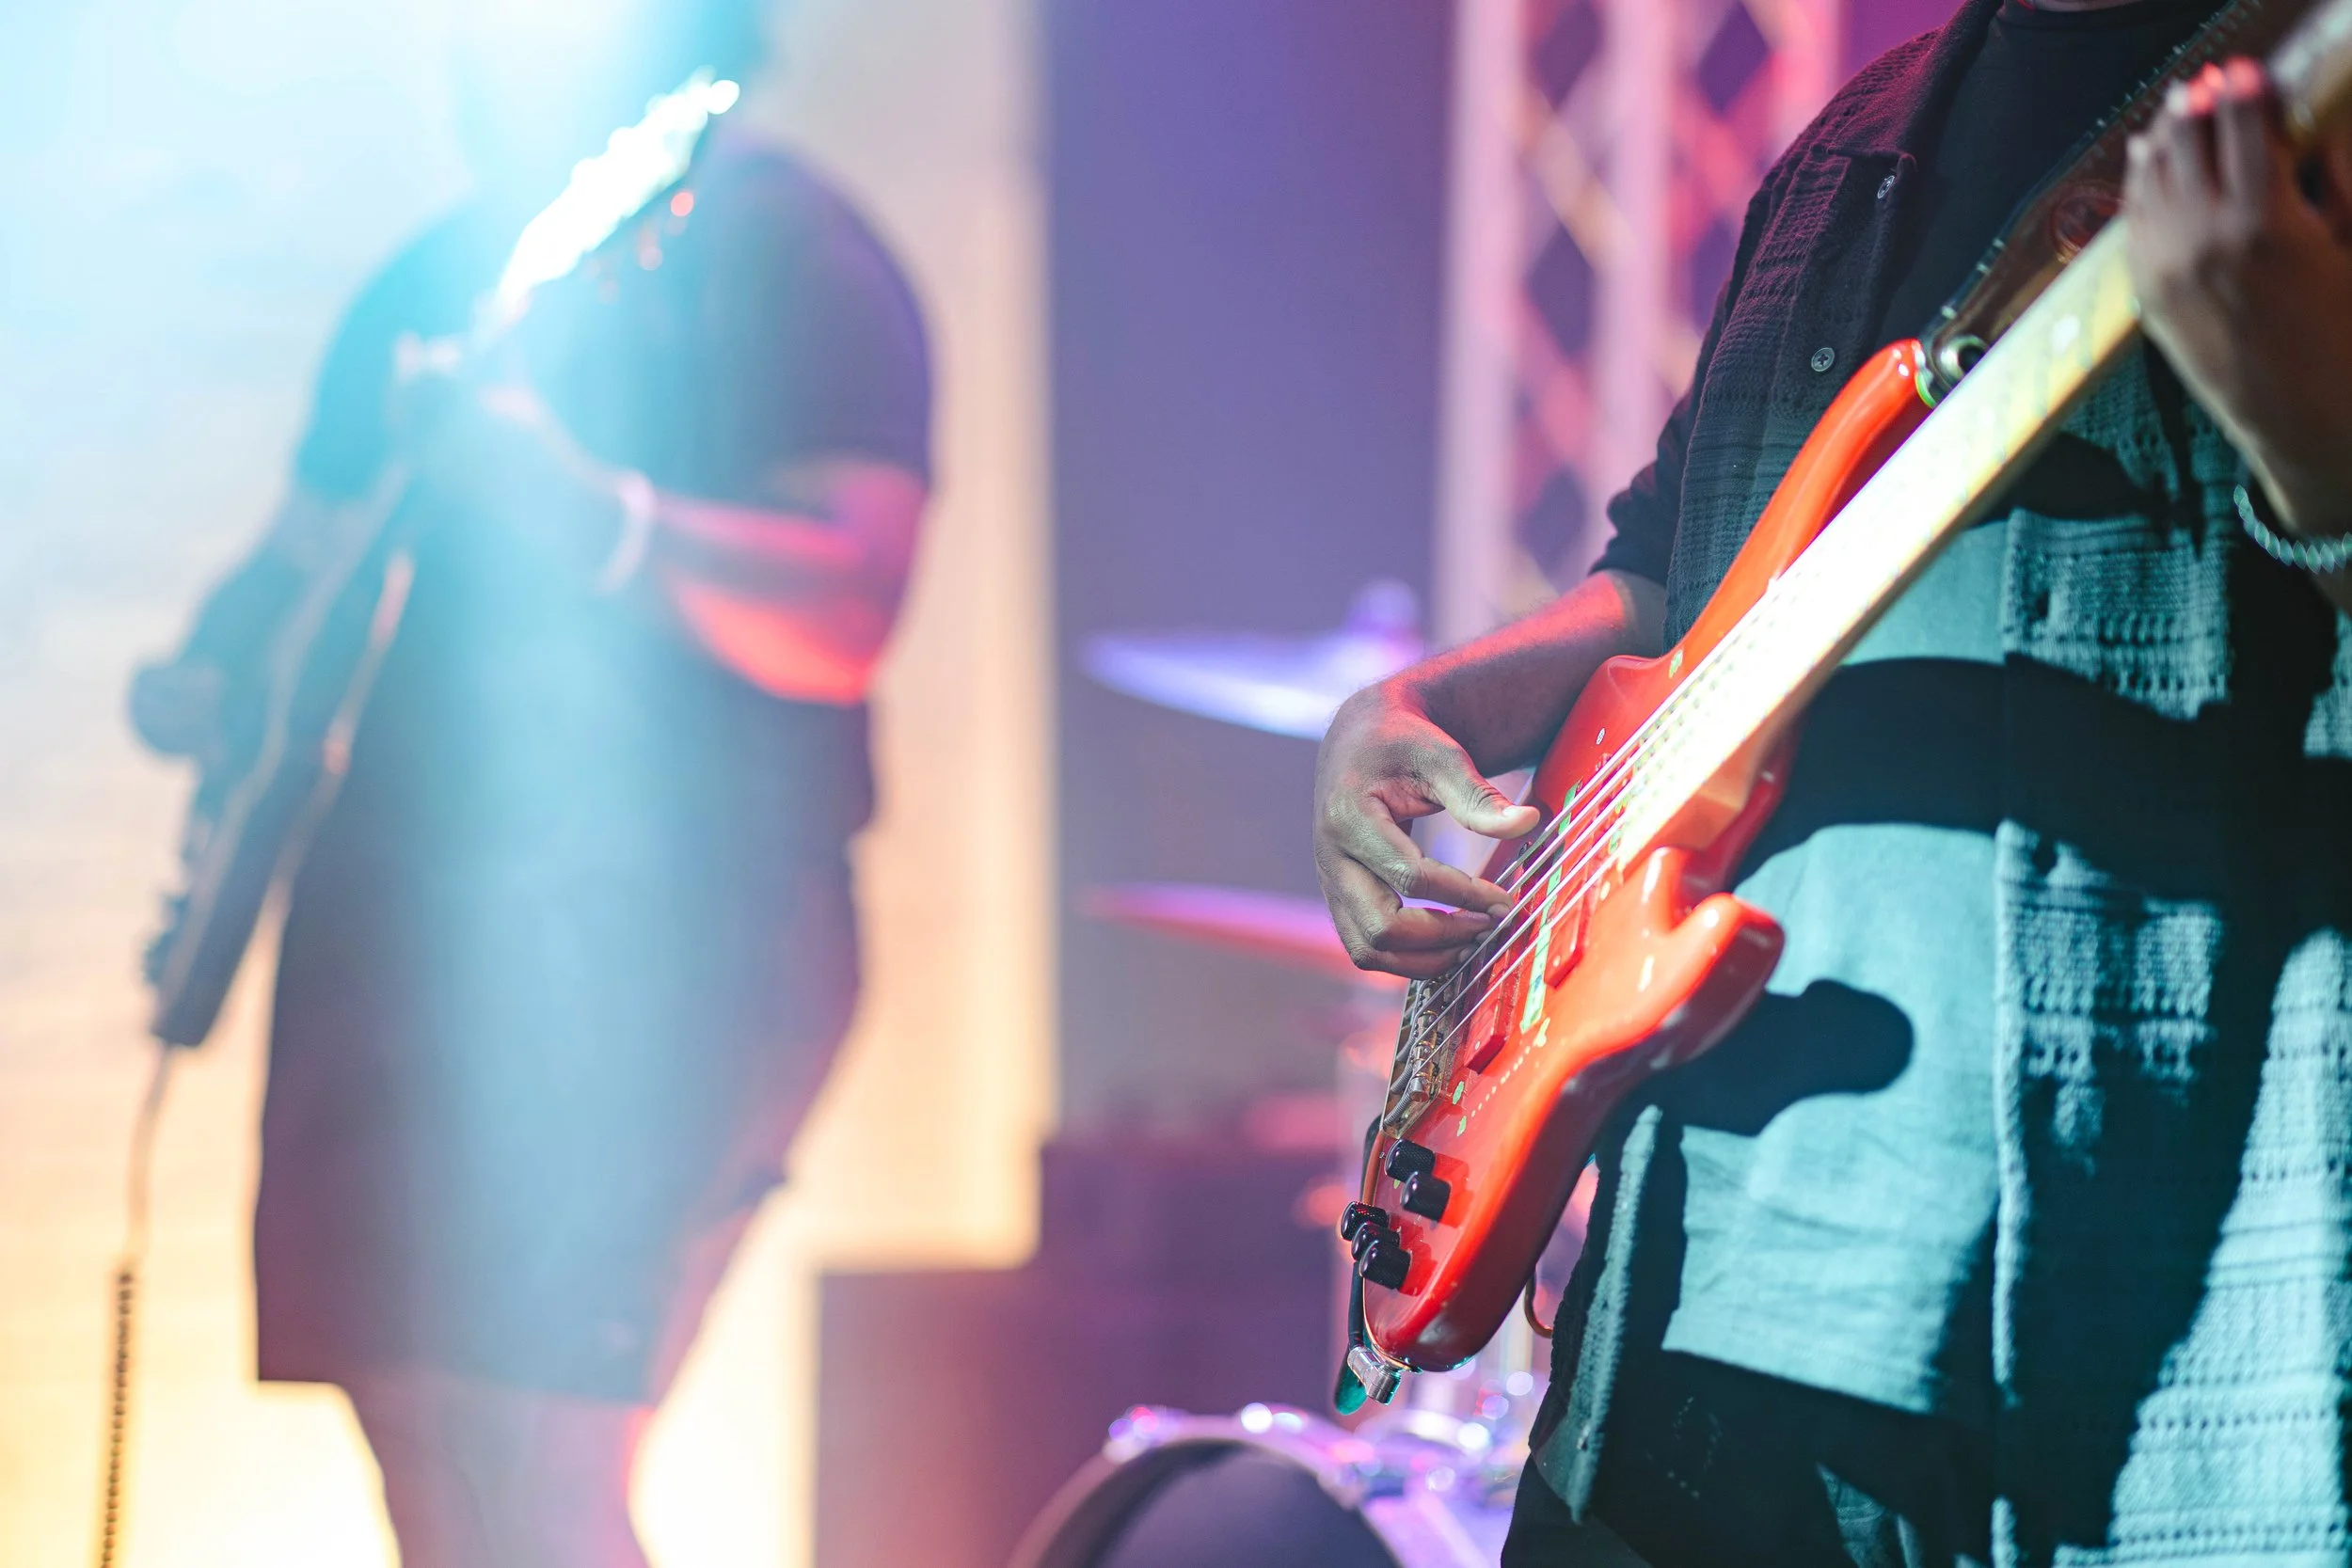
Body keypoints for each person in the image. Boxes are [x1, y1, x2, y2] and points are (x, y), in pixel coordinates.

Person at [1311, 0, 2352, 1562]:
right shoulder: (1852, 147)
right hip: (1709, 1292)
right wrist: (1419, 700)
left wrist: (2316, 428)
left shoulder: (2304, 110)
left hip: (2159, 1322)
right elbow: (1682, 565)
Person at [128, 2, 931, 1562]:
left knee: (538, 1453)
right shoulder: (435, 278)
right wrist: (212, 672)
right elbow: (303, 559)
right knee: (429, 1444)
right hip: (403, 924)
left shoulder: (794, 259)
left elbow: (846, 609)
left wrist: (594, 515)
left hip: (673, 933)